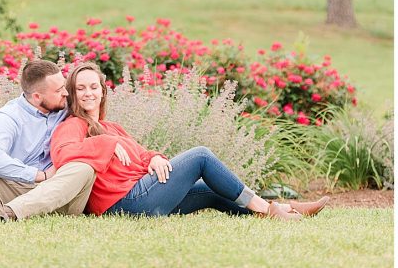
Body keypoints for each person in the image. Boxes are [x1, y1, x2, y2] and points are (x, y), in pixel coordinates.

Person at [50, 62, 328, 220]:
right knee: (200, 156)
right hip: (126, 203)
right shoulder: (73, 125)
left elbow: (140, 155)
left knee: (210, 190)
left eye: (93, 86)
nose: (88, 93)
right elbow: (63, 155)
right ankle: (271, 210)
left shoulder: (111, 126)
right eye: (80, 88)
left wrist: (155, 157)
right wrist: (107, 144)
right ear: (73, 95)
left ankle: (277, 209)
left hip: (142, 196)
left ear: (103, 91)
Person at [0, 59, 96, 221]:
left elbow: (94, 107)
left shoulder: (65, 105)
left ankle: (8, 213)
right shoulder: (10, 115)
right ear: (37, 97)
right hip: (17, 188)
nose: (66, 93)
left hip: (58, 194)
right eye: (58, 90)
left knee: (84, 168)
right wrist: (39, 175)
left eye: (64, 86)